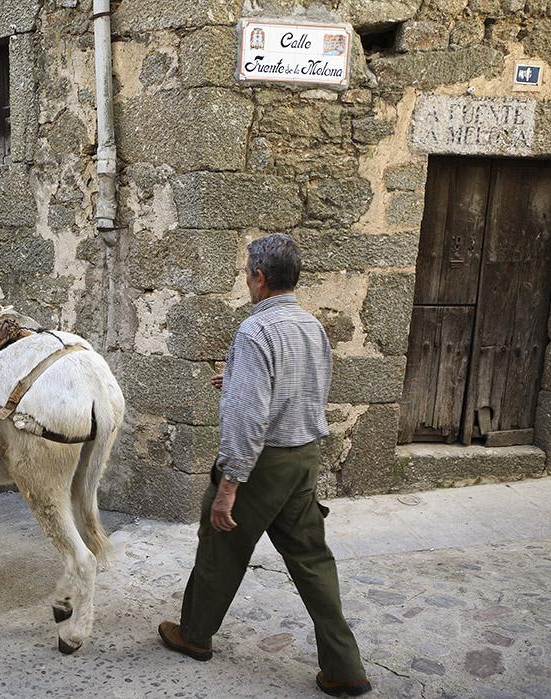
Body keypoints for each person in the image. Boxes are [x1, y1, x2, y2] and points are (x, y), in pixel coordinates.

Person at [157, 234, 371, 698]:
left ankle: (194, 635)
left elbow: (249, 418)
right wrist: (235, 379)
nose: (246, 280)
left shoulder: (256, 332)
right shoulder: (311, 326)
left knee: (220, 546)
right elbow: (305, 387)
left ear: (258, 276)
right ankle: (345, 668)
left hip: (263, 464)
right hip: (304, 458)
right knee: (313, 561)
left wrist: (230, 486)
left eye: (247, 273)